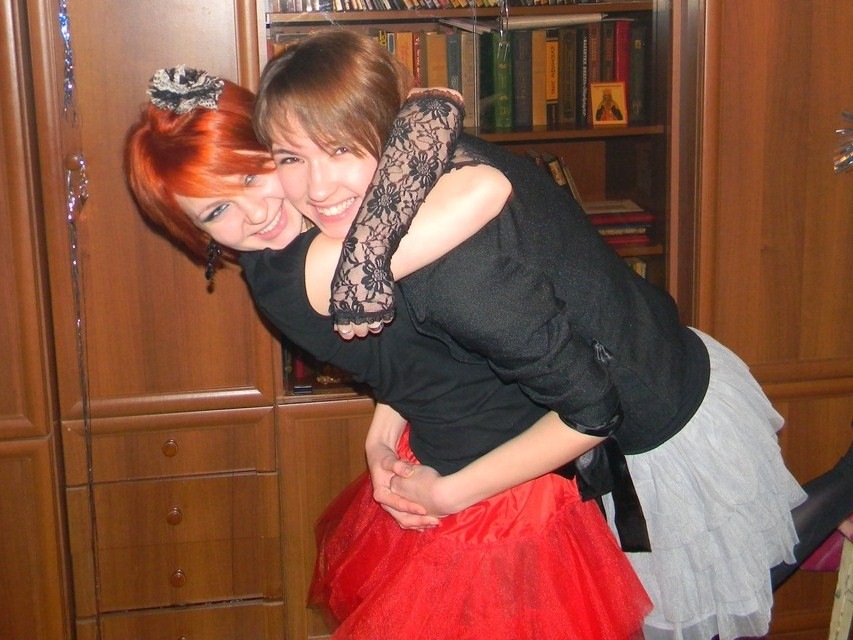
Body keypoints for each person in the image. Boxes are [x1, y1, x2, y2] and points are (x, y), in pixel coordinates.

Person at [251, 29, 853, 640]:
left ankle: (848, 483)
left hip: (648, 408)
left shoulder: (453, 269)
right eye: (291, 158)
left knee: (707, 593)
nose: (318, 189)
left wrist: (448, 496)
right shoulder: (416, 171)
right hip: (605, 367)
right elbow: (433, 353)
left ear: (388, 132)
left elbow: (594, 411)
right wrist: (380, 437)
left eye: (341, 149)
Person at [126, 64, 654, 639]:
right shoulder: (312, 270)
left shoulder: (318, 231)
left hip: (459, 451)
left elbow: (411, 358)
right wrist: (446, 495)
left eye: (252, 176)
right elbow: (482, 182)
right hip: (494, 488)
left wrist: (379, 436)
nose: (254, 214)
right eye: (216, 211)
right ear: (195, 232)